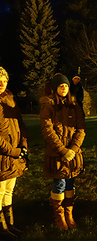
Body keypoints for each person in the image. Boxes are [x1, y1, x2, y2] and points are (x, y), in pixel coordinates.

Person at [40, 74, 86, 230]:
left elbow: (81, 128)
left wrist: (73, 149)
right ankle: (59, 216)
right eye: (61, 86)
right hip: (57, 154)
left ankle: (69, 214)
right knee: (59, 184)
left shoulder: (75, 105)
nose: (64, 88)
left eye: (66, 86)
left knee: (70, 184)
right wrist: (63, 150)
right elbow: (48, 131)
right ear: (55, 89)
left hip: (72, 154)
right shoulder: (49, 106)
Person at [0, 67, 28, 240]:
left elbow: (20, 123)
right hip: (4, 155)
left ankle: (9, 224)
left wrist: (23, 144)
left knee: (9, 190)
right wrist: (13, 151)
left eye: (4, 80)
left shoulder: (10, 99)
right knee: (0, 191)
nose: (1, 83)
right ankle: (1, 228)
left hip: (14, 156)